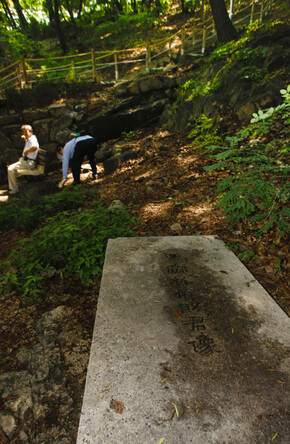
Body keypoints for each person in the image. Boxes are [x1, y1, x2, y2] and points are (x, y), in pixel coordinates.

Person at [7, 125, 39, 194]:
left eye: (25, 131)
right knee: (10, 168)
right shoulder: (29, 139)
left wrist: (27, 151)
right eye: (23, 132)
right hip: (26, 161)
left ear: (30, 131)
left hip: (29, 163)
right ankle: (15, 185)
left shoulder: (33, 139)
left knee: (10, 169)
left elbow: (35, 147)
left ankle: (14, 189)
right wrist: (25, 138)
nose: (24, 133)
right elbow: (30, 143)